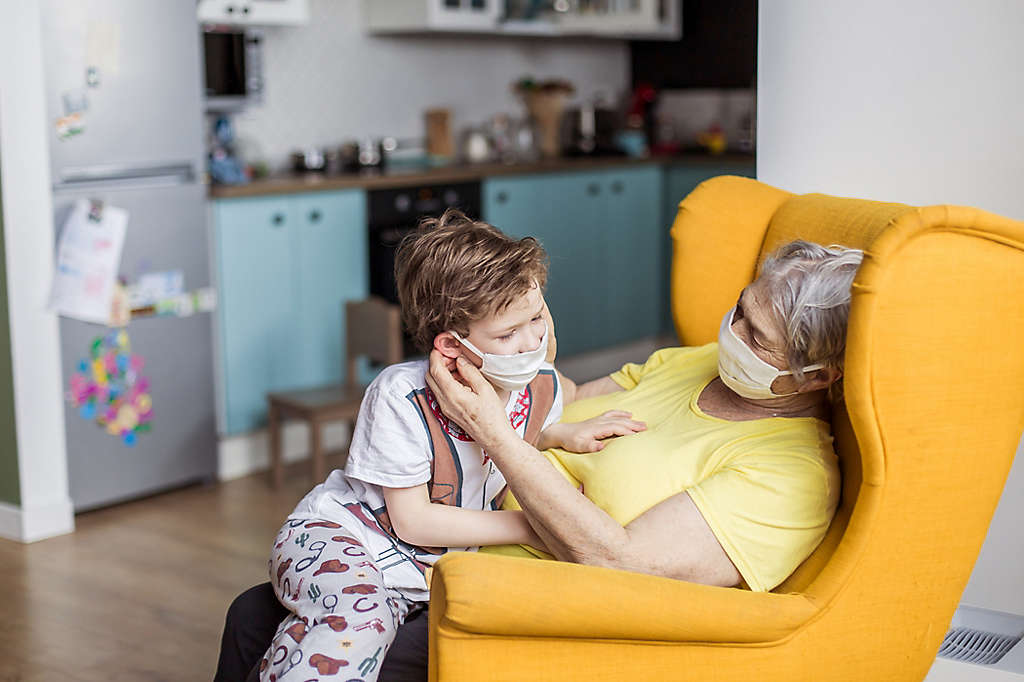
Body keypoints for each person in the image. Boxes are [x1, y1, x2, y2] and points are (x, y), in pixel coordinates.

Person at [216, 239, 862, 679]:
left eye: (758, 338)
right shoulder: (694, 366)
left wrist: (494, 433)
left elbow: (622, 562)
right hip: (441, 556)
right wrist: (520, 358)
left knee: (349, 648)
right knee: (252, 614)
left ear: (815, 376)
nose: (733, 335)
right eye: (740, 311)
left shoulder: (790, 475)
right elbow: (567, 398)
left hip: (523, 603)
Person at [249, 209, 645, 682]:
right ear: (453, 346)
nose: (531, 342)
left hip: (408, 579)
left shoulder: (535, 385)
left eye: (537, 316)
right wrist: (531, 525)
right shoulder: (401, 395)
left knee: (328, 652)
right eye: (507, 334)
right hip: (339, 539)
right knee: (360, 624)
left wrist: (558, 433)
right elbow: (413, 520)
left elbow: (511, 436)